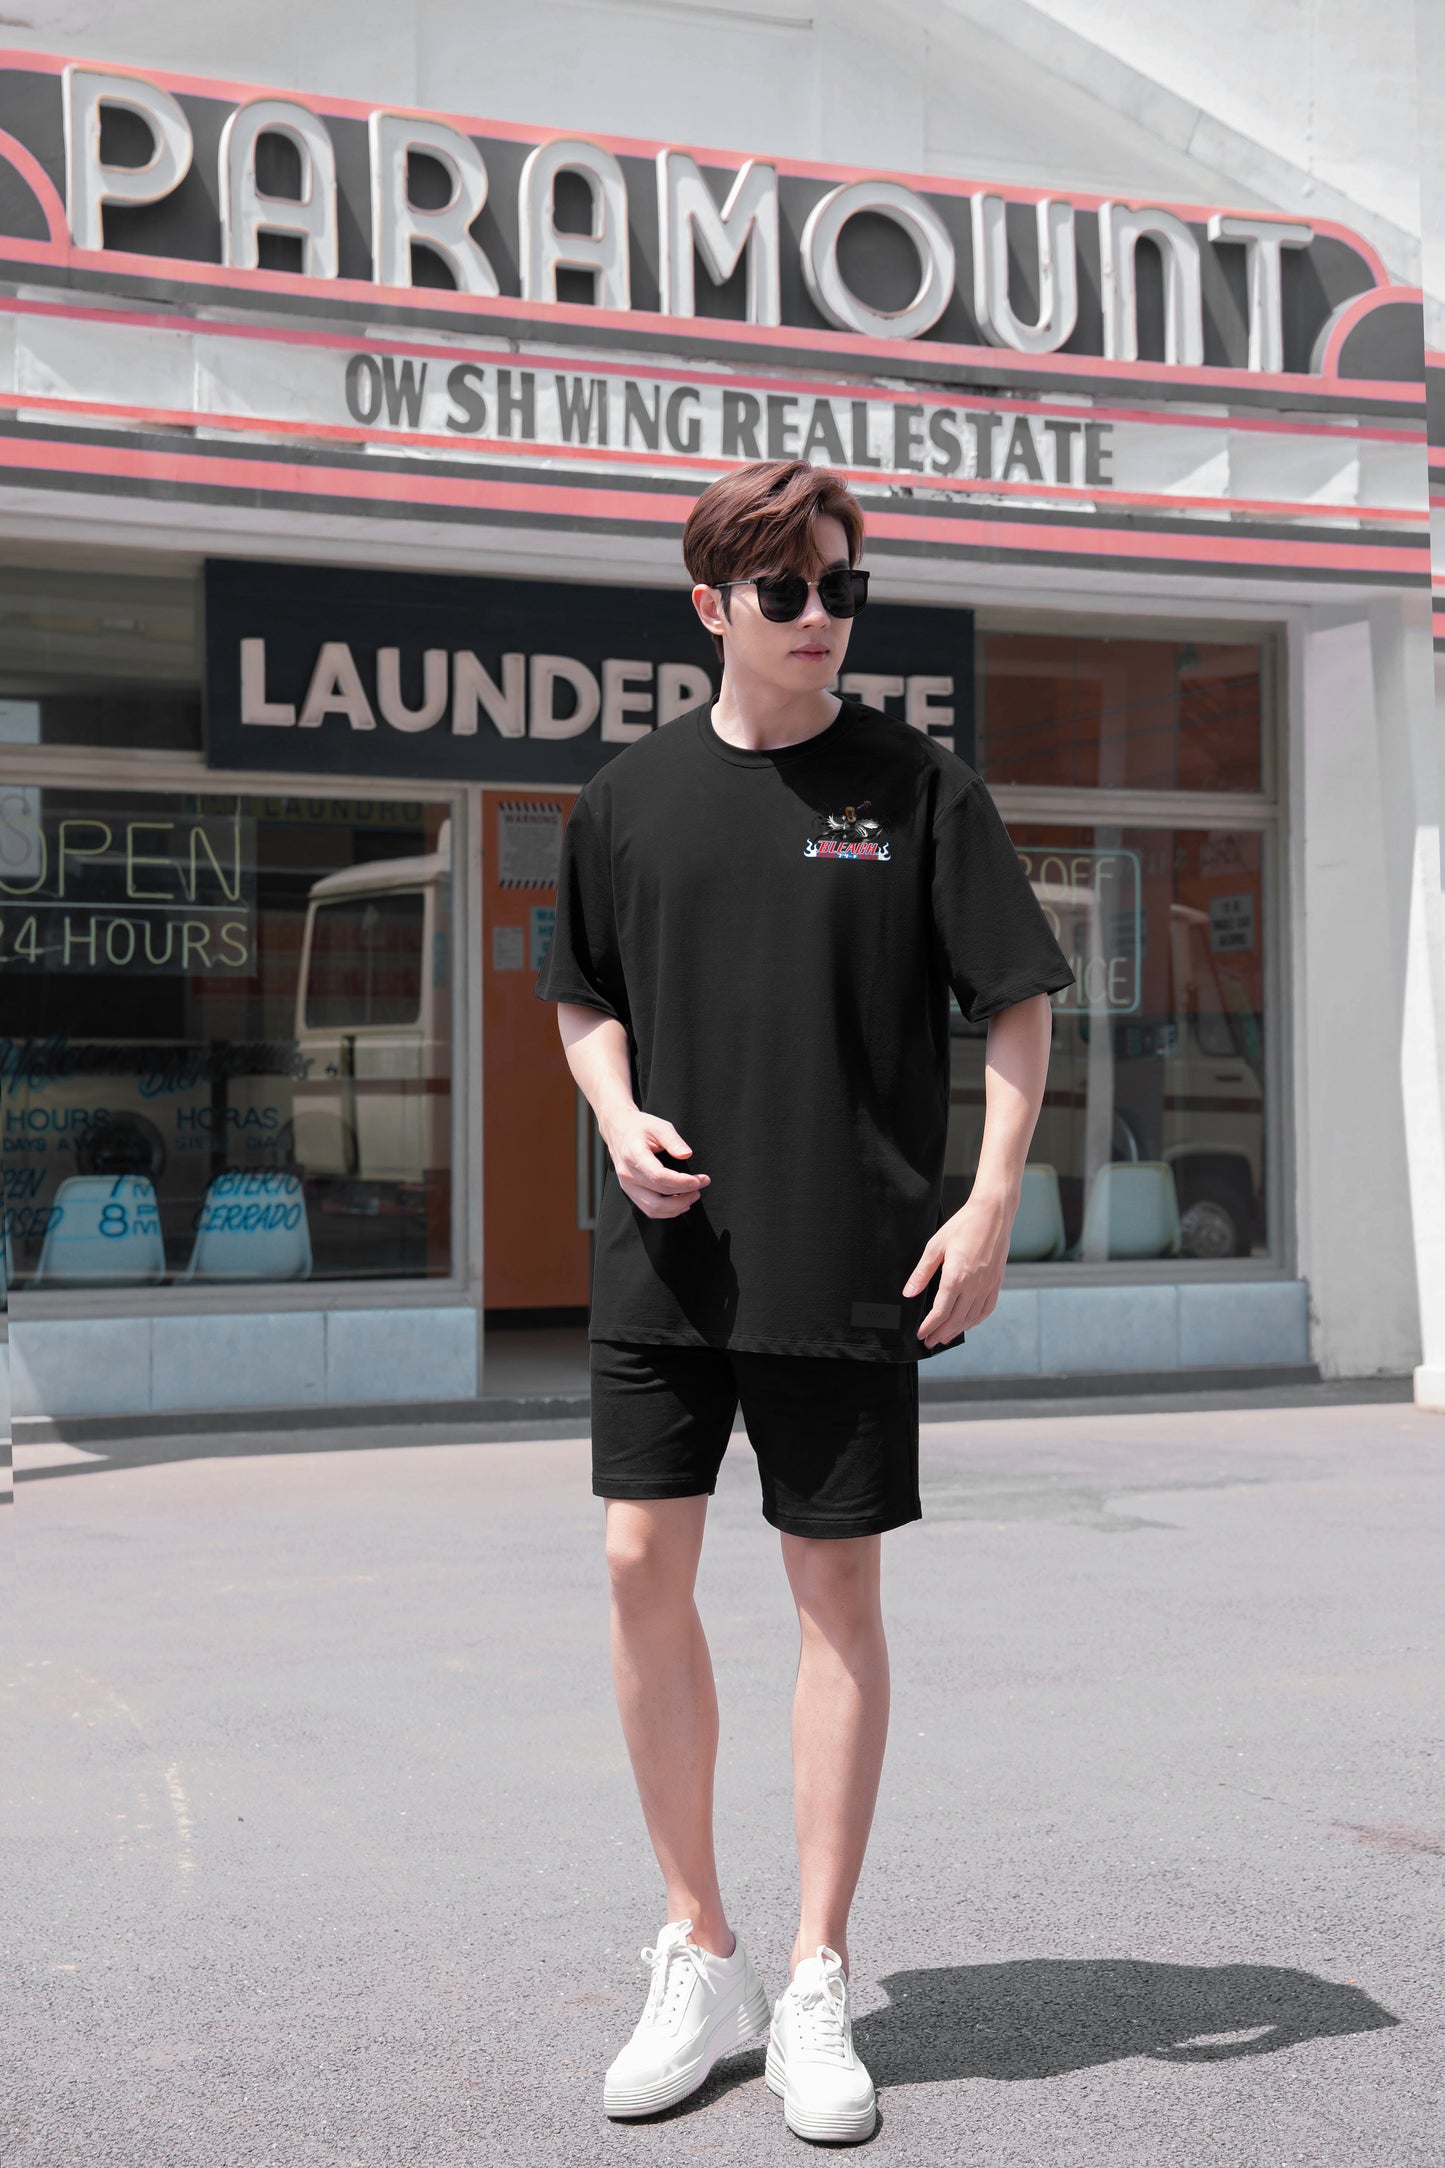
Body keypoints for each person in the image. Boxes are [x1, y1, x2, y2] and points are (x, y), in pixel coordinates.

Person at [535, 458, 1074, 2143]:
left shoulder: (915, 788)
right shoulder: (626, 800)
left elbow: (1015, 1002)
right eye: (788, 590)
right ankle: (700, 1949)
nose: (822, 614)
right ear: (712, 605)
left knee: (833, 1594)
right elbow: (580, 996)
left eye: (844, 587)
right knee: (636, 1564)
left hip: (847, 1258)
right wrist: (615, 1114)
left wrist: (988, 1203)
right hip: (665, 1258)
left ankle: (819, 1971)